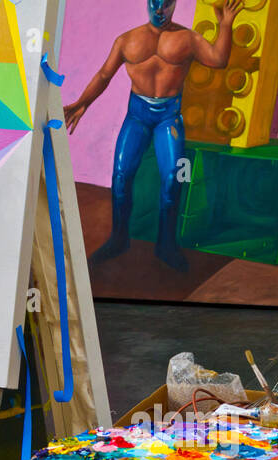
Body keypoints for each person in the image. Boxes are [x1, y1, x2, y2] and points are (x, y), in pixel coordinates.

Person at [64, 0, 241, 272]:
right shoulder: (127, 40)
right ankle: (119, 238)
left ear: (175, 5)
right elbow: (103, 74)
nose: (159, 10)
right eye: (154, 3)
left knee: (173, 177)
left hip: (168, 117)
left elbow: (219, 59)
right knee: (121, 175)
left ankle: (166, 245)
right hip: (137, 116)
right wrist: (82, 103)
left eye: (166, 4)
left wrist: (225, 26)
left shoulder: (188, 39)